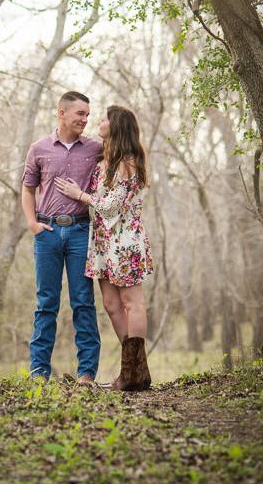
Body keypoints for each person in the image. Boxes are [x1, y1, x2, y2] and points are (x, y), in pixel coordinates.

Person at [55, 105, 153, 391]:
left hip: (124, 240)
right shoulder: (104, 160)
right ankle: (135, 371)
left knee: (132, 303)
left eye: (104, 118)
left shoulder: (128, 162)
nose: (98, 121)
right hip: (102, 242)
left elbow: (112, 207)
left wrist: (80, 195)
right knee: (111, 305)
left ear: (117, 125)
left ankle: (132, 375)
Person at [21, 91, 102, 385]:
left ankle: (86, 374)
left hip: (81, 231)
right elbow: (28, 189)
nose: (85, 119)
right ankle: (39, 373)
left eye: (88, 115)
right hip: (48, 233)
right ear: (62, 113)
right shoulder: (39, 149)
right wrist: (32, 223)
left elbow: (123, 160)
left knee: (83, 302)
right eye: (80, 114)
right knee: (46, 303)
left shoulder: (95, 148)